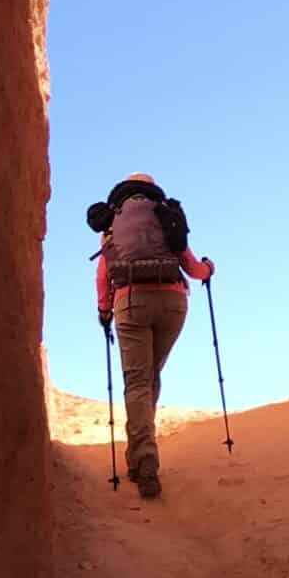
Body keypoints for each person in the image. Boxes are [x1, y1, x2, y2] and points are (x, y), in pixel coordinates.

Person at [91, 173, 213, 499]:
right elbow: (189, 263)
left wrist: (104, 311)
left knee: (138, 382)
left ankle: (143, 458)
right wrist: (208, 270)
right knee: (150, 376)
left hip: (130, 302)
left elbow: (104, 272)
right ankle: (142, 450)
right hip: (173, 303)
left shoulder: (114, 220)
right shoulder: (165, 215)